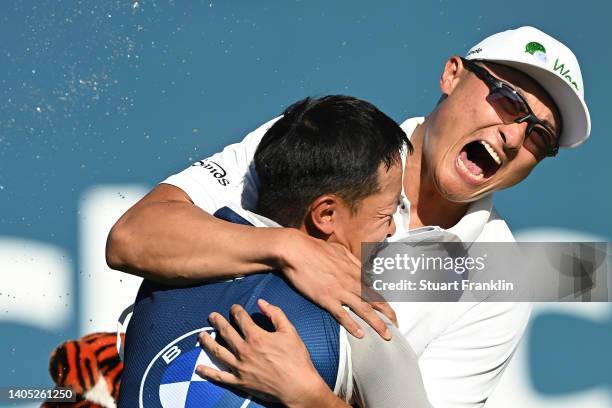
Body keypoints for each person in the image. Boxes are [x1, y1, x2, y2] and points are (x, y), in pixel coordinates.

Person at [107, 26, 591, 407]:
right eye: (508, 101)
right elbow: (132, 238)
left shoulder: (499, 276)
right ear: (451, 75)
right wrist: (290, 250)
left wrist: (310, 398)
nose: (512, 136)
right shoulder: (330, 136)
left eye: (538, 138)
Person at [117, 95, 430, 408]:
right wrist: (314, 400)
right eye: (386, 213)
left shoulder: (166, 266)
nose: (391, 229)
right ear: (326, 215)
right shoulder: (361, 327)